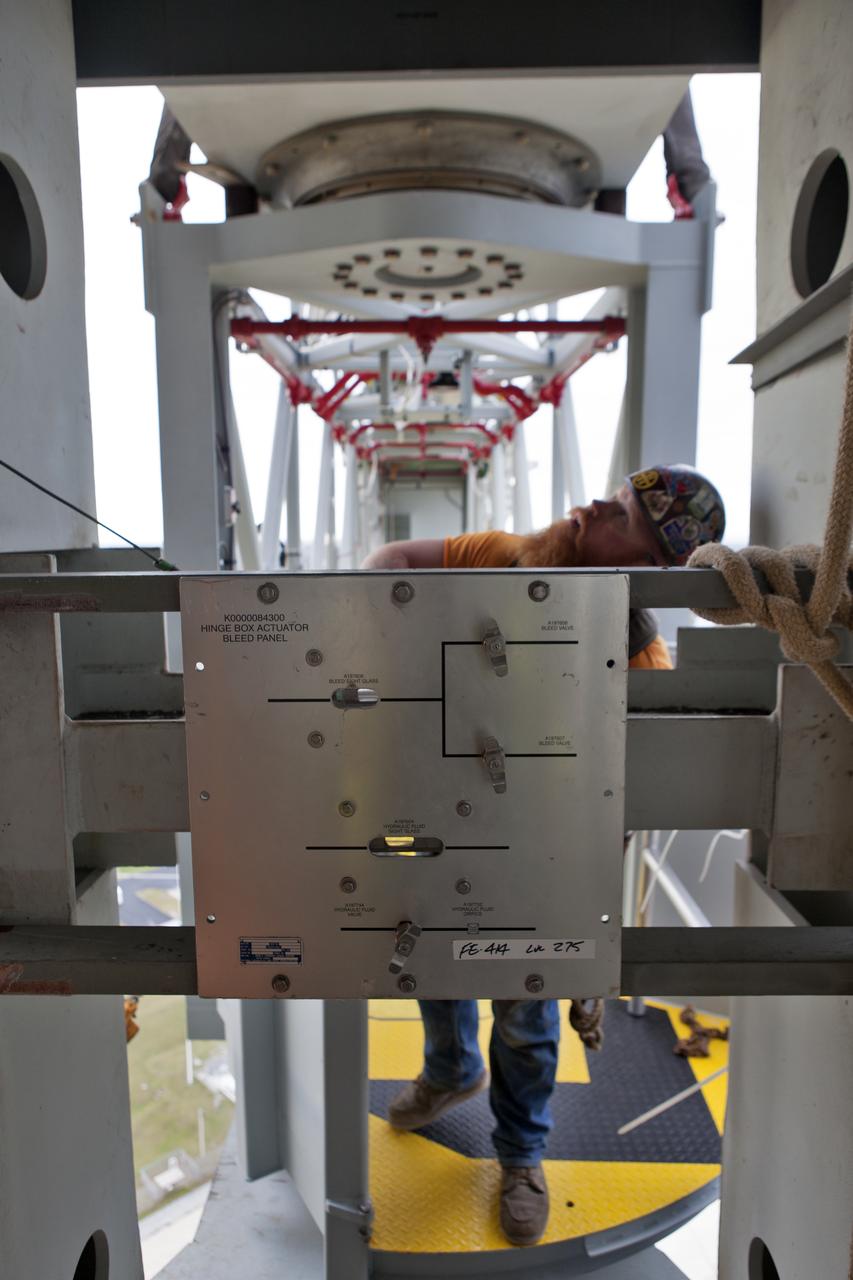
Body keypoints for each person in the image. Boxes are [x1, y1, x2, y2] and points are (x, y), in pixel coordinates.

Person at [361, 464, 725, 1247]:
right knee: (431, 950)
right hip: (447, 804)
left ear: (649, 564)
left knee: (524, 1011)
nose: (595, 502)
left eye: (622, 510)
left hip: (537, 849)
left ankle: (521, 1157)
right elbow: (388, 567)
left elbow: (624, 806)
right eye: (614, 494)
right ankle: (452, 1069)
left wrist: (582, 945)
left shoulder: (637, 662)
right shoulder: (500, 556)